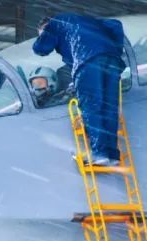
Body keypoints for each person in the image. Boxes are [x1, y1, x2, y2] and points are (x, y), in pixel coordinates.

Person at [33, 13, 127, 165]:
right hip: (112, 61)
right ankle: (112, 154)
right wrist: (114, 49)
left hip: (87, 60)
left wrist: (42, 37)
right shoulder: (85, 21)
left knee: (91, 104)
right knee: (108, 106)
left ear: (46, 26)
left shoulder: (55, 24)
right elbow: (114, 24)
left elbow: (41, 49)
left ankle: (100, 153)